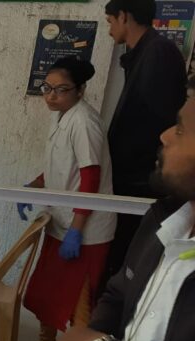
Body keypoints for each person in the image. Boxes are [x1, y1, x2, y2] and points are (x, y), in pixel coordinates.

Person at [47, 77, 195, 341]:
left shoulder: (85, 123)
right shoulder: (165, 221)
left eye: (180, 129)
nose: (164, 135)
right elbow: (118, 296)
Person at [15, 58, 117, 341]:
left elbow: (91, 177)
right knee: (49, 290)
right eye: (47, 88)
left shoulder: (84, 122)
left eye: (61, 89)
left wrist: (76, 229)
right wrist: (33, 185)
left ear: (81, 90)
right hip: (61, 219)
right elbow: (60, 167)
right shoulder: (61, 115)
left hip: (85, 230)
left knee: (78, 299)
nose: (51, 95)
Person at [101, 0, 187, 289]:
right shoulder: (140, 54)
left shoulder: (158, 52)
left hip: (141, 183)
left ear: (124, 16)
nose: (109, 29)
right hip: (129, 178)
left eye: (111, 21)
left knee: (127, 267)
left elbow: (156, 124)